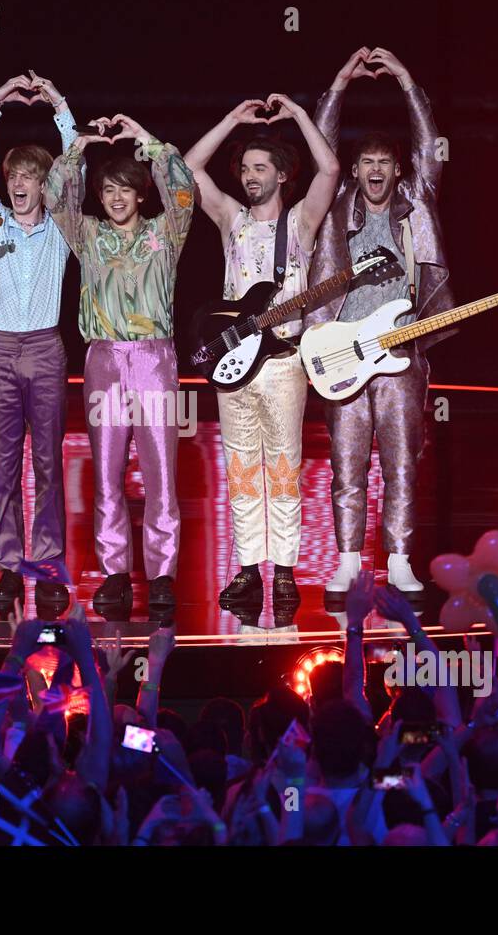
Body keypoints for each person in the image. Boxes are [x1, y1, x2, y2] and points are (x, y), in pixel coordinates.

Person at [307, 48, 456, 596]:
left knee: (401, 464)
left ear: (397, 169)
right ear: (355, 169)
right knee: (347, 466)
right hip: (342, 351)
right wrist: (341, 84)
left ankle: (398, 559)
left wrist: (406, 80)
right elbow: (321, 146)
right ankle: (348, 559)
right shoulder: (335, 205)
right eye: (365, 162)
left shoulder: (417, 203)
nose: (375, 170)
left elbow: (429, 148)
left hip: (400, 353)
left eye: (384, 162)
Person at [184, 93, 339, 608]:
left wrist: (296, 115)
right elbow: (189, 167)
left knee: (284, 465)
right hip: (235, 361)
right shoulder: (233, 219)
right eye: (245, 167)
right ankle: (250, 567)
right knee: (242, 466)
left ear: (282, 174)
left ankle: (287, 570)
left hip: (284, 361)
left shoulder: (300, 223)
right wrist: (231, 118)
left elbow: (331, 168)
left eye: (260, 167)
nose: (250, 176)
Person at [44, 115, 196, 613]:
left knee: (160, 474)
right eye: (107, 189)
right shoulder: (86, 235)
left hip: (154, 359)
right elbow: (54, 198)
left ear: (140, 195)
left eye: (125, 189)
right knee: (107, 473)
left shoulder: (165, 233)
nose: (115, 198)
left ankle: (163, 574)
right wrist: (78, 147)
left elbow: (184, 189)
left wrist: (146, 140)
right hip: (104, 359)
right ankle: (114, 572)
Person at [0, 71, 79, 612]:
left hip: (44, 347)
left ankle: (50, 564)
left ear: (43, 185)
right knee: (5, 463)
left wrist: (58, 101)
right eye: (12, 174)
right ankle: (10, 566)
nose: (18, 182)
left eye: (29, 176)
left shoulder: (60, 225)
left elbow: (75, 162)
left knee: (48, 462)